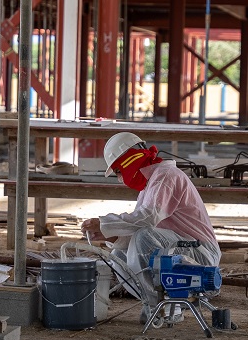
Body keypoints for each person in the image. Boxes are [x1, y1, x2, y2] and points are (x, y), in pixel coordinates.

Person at [81, 132, 221, 318]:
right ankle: (156, 304)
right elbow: (140, 226)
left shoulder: (166, 176)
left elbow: (147, 219)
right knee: (118, 255)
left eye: (118, 171)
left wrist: (105, 223)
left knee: (144, 236)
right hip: (182, 250)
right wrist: (110, 233)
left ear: (129, 162)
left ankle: (170, 307)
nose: (120, 179)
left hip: (201, 256)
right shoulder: (151, 184)